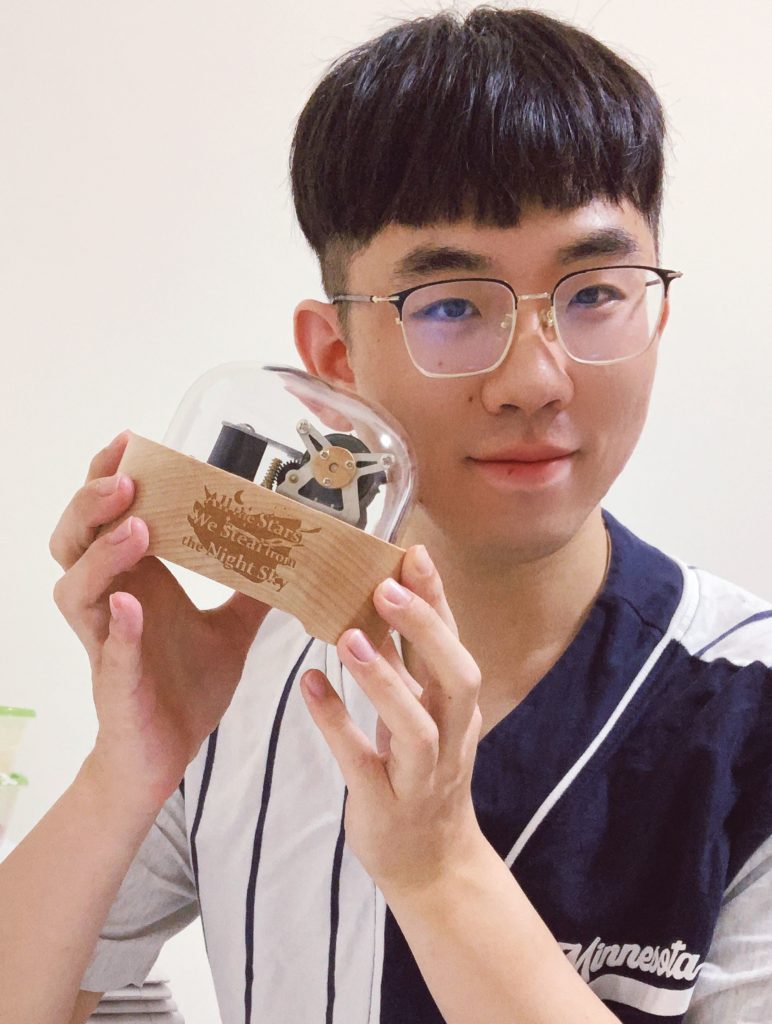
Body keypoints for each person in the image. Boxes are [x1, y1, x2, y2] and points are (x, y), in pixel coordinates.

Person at [1, 7, 770, 1024]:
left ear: (655, 310)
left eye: (593, 292)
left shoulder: (744, 709)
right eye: (451, 305)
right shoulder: (247, 666)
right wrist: (125, 769)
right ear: (332, 358)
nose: (533, 379)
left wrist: (439, 871)